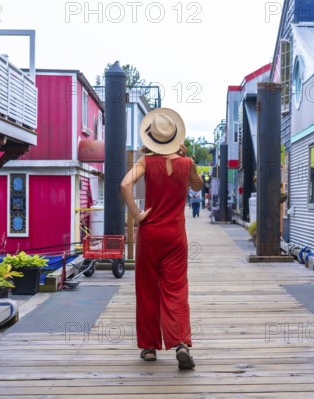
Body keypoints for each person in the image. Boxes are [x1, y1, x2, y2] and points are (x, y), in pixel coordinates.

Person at [120, 108, 203, 370]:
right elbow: (198, 186)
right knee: (176, 289)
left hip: (149, 234)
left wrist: (136, 214)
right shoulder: (186, 164)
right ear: (175, 138)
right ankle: (180, 343)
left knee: (147, 290)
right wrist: (186, 158)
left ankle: (149, 348)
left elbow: (124, 185)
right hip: (175, 236)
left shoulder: (145, 162)